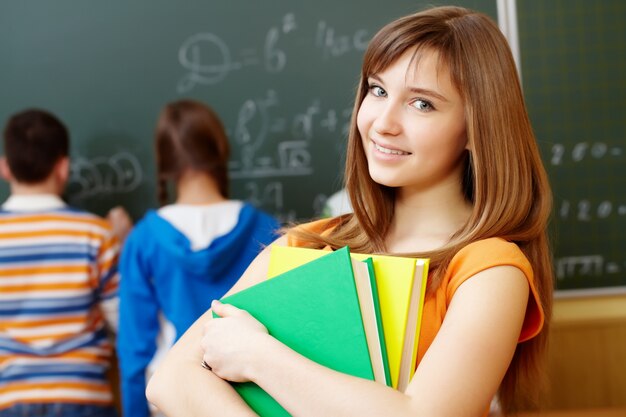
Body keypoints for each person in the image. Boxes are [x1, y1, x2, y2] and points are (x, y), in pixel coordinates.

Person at [146, 6, 553, 417]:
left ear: (475, 126)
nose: (383, 123)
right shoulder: (307, 243)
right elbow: (170, 379)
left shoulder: (491, 269)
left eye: (422, 104)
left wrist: (258, 356)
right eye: (378, 90)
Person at [116, 99, 280, 417]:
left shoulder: (144, 240)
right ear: (220, 150)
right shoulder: (269, 229)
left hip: (172, 399)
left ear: (164, 163)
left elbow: (134, 349)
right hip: (248, 398)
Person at [0, 109, 121, 416]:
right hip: (84, 394)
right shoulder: (96, 233)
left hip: (11, 396)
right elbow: (121, 319)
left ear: (5, 168)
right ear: (63, 168)